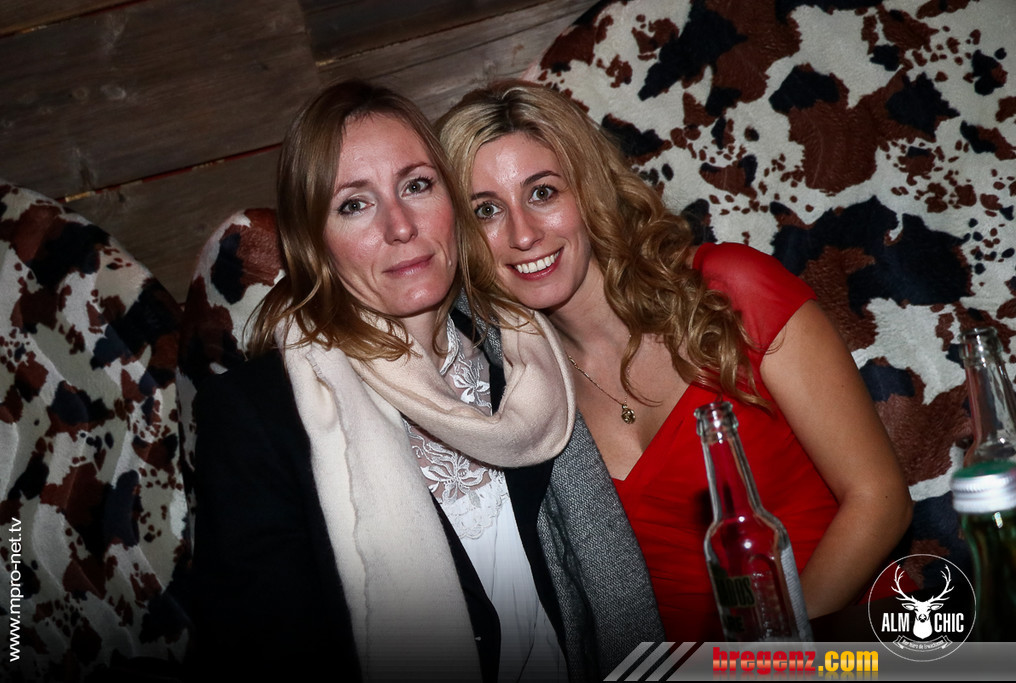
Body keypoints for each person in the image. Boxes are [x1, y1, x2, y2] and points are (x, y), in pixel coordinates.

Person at [188, 80, 662, 681]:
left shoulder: (525, 357)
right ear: (314, 241)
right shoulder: (256, 416)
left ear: (453, 204)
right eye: (354, 205)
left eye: (416, 186)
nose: (401, 226)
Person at [437, 79, 915, 641]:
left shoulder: (730, 292)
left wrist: (779, 653)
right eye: (486, 211)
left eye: (542, 193)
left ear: (589, 191)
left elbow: (879, 500)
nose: (523, 234)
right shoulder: (519, 396)